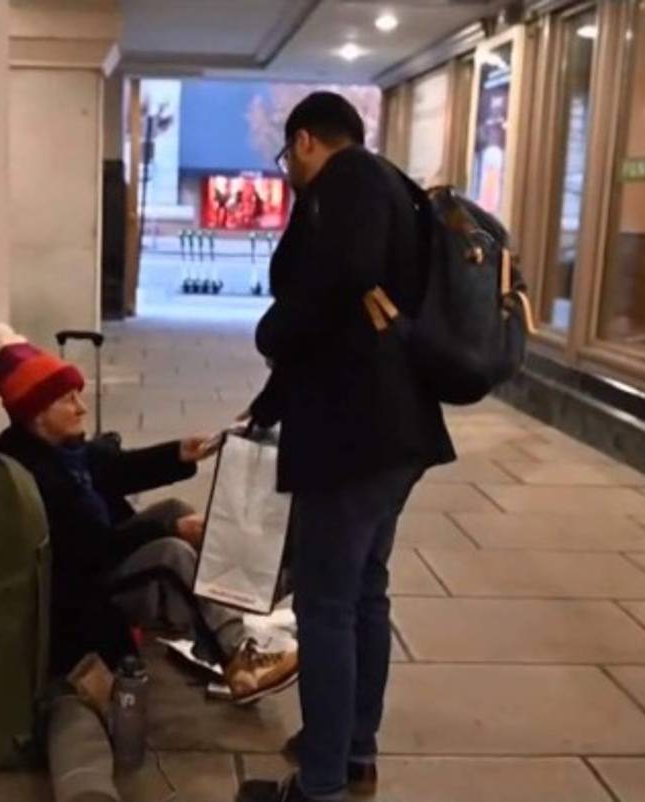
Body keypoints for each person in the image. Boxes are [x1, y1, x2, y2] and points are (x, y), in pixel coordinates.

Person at [236, 93, 455, 802]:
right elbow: (346, 312)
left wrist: (271, 332)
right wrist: (264, 408)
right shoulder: (389, 183)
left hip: (354, 434)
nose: (290, 172)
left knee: (327, 605)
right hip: (392, 430)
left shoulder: (350, 179)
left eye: (286, 157)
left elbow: (337, 283)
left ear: (304, 141)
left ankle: (323, 783)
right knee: (363, 595)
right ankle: (353, 754)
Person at [0, 324, 300, 801]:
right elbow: (95, 548)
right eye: (68, 399)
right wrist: (167, 533)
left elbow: (114, 466)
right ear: (36, 414)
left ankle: (245, 591)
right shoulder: (41, 474)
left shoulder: (57, 450)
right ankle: (240, 658)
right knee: (172, 553)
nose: (82, 406)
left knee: (173, 513)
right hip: (85, 597)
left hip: (97, 567)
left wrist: (180, 453)